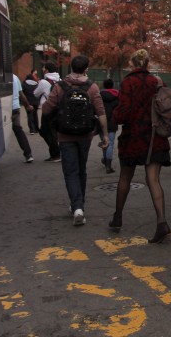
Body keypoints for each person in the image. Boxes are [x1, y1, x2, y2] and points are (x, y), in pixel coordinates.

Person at [111, 49, 171, 243]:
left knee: (125, 178)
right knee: (153, 179)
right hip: (155, 137)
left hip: (133, 137)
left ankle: (118, 217)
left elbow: (122, 113)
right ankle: (162, 222)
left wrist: (114, 116)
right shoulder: (157, 82)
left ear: (132, 63)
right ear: (147, 63)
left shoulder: (128, 82)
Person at [42, 55, 108, 226]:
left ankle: (77, 207)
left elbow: (47, 109)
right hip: (85, 135)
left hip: (65, 135)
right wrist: (105, 135)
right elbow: (101, 112)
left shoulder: (60, 86)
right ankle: (79, 204)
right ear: (86, 69)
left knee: (70, 171)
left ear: (71, 68)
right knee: (81, 170)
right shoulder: (92, 87)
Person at [35, 62, 62, 162]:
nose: (42, 69)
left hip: (47, 110)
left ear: (46, 70)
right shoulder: (60, 80)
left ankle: (56, 154)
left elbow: (35, 94)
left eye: (43, 67)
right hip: (58, 109)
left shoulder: (43, 82)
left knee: (46, 131)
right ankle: (55, 152)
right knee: (53, 131)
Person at [12, 74, 34, 163]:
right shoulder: (15, 77)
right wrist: (27, 106)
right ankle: (28, 154)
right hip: (15, 108)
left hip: (3, 108)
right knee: (18, 130)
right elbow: (21, 94)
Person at [99, 78, 119, 174]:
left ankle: (105, 159)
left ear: (103, 85)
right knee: (110, 143)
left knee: (104, 141)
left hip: (101, 121)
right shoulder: (117, 96)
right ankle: (108, 165)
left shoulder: (99, 95)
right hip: (112, 122)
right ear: (113, 85)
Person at [22, 70, 40, 135]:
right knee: (35, 114)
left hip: (28, 102)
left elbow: (22, 93)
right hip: (36, 102)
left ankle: (32, 130)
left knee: (30, 115)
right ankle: (36, 128)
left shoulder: (24, 84)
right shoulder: (37, 84)